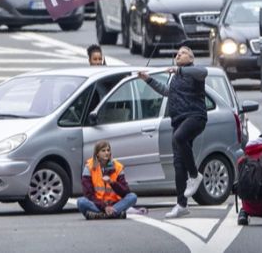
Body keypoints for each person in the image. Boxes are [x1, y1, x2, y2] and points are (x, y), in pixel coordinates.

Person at [138, 46, 208, 219]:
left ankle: (195, 175)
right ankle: (181, 204)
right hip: (178, 121)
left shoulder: (193, 73)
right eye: (177, 53)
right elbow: (166, 91)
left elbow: (203, 71)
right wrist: (148, 80)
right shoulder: (176, 77)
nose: (178, 54)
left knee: (178, 138)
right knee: (178, 164)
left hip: (195, 117)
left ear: (191, 58)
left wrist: (180, 69)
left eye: (183, 53)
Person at [77, 140, 138, 220]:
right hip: (98, 204)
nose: (106, 153)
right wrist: (104, 207)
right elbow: (89, 195)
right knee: (81, 201)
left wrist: (112, 182)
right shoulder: (89, 167)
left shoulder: (117, 167)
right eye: (103, 150)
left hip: (114, 204)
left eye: (108, 150)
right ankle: (115, 214)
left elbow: (125, 192)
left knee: (132, 197)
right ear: (97, 154)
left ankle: (99, 215)